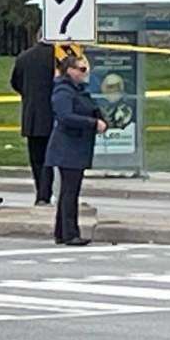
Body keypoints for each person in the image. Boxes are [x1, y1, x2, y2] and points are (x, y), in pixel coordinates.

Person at [45, 54, 107, 246]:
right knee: (70, 191)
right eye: (81, 69)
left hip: (76, 146)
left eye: (85, 69)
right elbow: (65, 117)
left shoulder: (78, 90)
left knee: (68, 191)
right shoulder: (63, 91)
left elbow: (86, 107)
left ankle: (62, 232)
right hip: (68, 147)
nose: (85, 73)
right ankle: (70, 233)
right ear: (70, 71)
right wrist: (92, 123)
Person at [10, 36, 56, 205]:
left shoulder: (24, 58)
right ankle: (45, 193)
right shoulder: (58, 57)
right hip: (53, 114)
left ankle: (41, 192)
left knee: (37, 159)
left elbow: (15, 82)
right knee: (50, 158)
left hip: (32, 115)